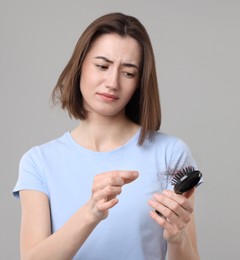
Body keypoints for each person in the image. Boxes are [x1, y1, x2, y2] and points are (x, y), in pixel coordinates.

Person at [13, 12, 202, 260]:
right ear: (80, 66)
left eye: (128, 73)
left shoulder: (171, 153)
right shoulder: (38, 162)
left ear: (139, 82)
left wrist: (177, 239)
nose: (112, 82)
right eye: (102, 66)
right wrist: (91, 212)